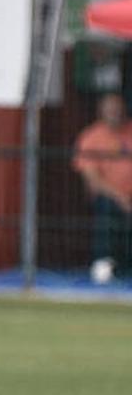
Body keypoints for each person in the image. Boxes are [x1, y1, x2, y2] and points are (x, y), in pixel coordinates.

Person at [72, 91, 132, 283]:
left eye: (118, 109)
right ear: (101, 111)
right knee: (106, 208)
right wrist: (120, 198)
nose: (115, 113)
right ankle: (103, 263)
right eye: (110, 109)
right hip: (108, 196)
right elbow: (93, 181)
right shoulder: (91, 137)